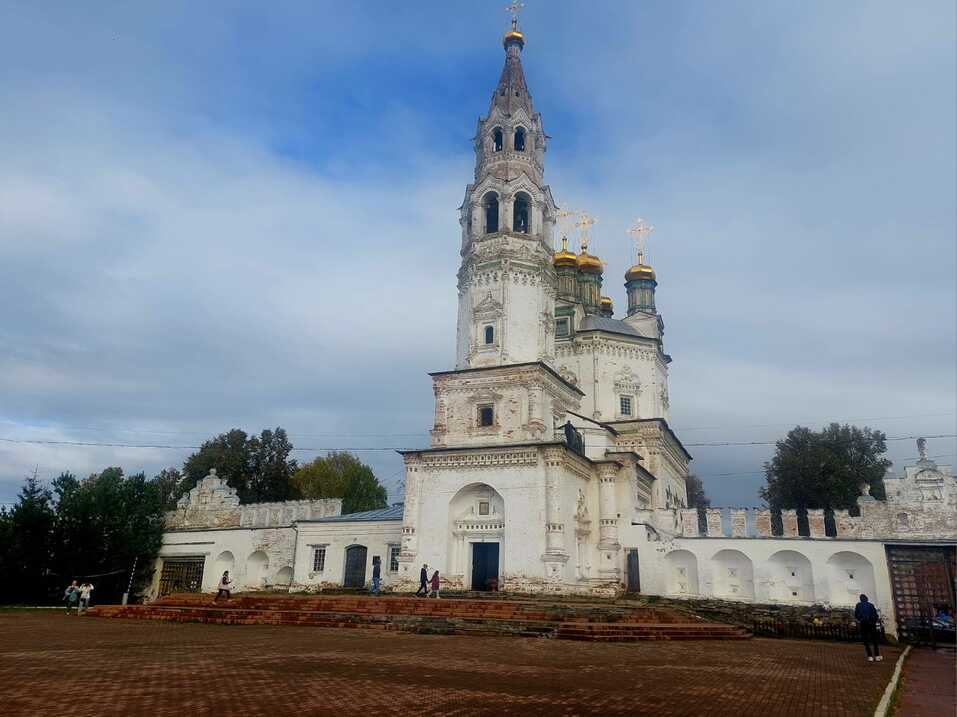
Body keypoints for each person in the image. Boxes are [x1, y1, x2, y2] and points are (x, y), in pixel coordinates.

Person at [855, 593, 882, 662]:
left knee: (866, 641)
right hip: (871, 624)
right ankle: (877, 656)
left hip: (863, 624)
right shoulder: (871, 605)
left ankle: (870, 656)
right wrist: (874, 621)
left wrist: (860, 620)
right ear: (867, 598)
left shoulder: (858, 605)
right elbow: (875, 615)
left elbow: (856, 615)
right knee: (874, 640)